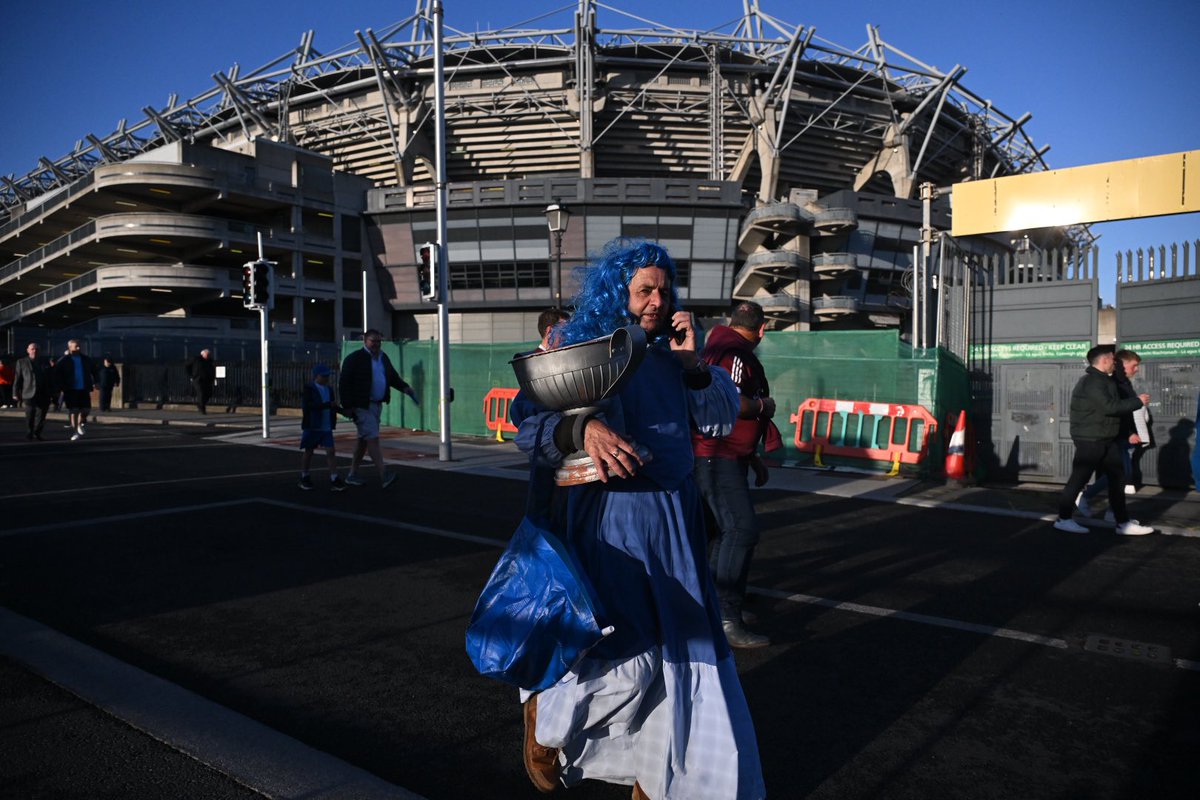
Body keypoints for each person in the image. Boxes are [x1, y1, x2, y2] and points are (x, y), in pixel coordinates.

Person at [510, 240, 765, 799]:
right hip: (610, 522)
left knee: (683, 655)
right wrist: (583, 431)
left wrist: (693, 364)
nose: (657, 299)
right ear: (617, 293)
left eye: (663, 288)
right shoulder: (588, 346)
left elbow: (720, 418)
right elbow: (526, 423)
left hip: (674, 519)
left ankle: (659, 778)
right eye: (644, 289)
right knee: (626, 652)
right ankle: (546, 717)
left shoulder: (675, 356)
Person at [692, 299, 777, 649]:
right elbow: (732, 398)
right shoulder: (733, 352)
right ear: (761, 328)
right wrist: (761, 407)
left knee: (719, 531)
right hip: (717, 455)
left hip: (723, 454)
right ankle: (726, 614)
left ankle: (717, 605)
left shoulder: (722, 346)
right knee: (741, 530)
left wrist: (752, 454)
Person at [1054, 345, 1154, 535]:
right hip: (1091, 439)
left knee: (1118, 478)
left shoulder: (1103, 381)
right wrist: (1138, 402)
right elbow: (1110, 407)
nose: (1115, 362)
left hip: (1106, 438)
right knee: (1078, 479)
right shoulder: (1092, 382)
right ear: (1104, 360)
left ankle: (1122, 522)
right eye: (1112, 359)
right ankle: (1063, 518)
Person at [337, 329, 419, 488]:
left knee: (363, 440)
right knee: (372, 438)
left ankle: (352, 474)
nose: (376, 344)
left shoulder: (383, 358)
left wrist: (405, 388)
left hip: (376, 405)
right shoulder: (355, 359)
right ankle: (384, 474)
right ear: (365, 341)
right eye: (373, 341)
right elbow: (344, 383)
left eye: (378, 341)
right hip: (362, 405)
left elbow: (392, 377)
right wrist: (347, 406)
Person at [1077, 349, 1150, 517]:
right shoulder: (1114, 383)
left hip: (1119, 434)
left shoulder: (1123, 382)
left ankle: (1106, 508)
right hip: (1115, 435)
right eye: (1134, 365)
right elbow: (1116, 409)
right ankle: (1110, 510)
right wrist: (1129, 432)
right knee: (1119, 473)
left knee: (1118, 474)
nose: (1137, 369)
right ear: (1123, 365)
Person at [299, 364, 346, 492]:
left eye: (327, 375)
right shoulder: (309, 388)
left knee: (331, 451)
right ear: (316, 376)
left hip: (326, 426)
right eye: (324, 375)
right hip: (313, 426)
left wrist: (344, 412)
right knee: (309, 451)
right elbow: (308, 406)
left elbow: (332, 405)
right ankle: (305, 475)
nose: (326, 378)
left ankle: (334, 477)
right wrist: (326, 405)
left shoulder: (329, 389)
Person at [53, 340, 98, 442]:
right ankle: (75, 432)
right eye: (76, 346)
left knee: (86, 410)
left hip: (84, 388)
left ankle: (80, 423)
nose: (78, 348)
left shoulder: (86, 359)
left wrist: (96, 382)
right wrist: (59, 387)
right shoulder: (64, 360)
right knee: (74, 410)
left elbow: (94, 370)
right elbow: (56, 374)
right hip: (70, 389)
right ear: (70, 347)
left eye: (79, 346)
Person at [13, 342, 53, 440]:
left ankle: (37, 432)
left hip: (43, 392)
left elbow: (50, 377)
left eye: (36, 349)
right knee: (30, 413)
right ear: (28, 350)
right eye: (32, 349)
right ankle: (29, 432)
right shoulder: (21, 362)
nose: (34, 351)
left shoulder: (45, 361)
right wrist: (15, 392)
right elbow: (18, 378)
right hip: (28, 391)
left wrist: (53, 391)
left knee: (42, 414)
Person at [186, 348, 217, 414]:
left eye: (209, 355)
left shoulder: (210, 361)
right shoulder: (196, 359)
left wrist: (213, 378)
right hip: (198, 379)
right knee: (201, 392)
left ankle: (200, 404)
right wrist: (191, 375)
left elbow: (212, 369)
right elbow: (187, 366)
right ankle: (202, 408)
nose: (208, 356)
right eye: (207, 354)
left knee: (209, 393)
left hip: (207, 379)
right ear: (202, 354)